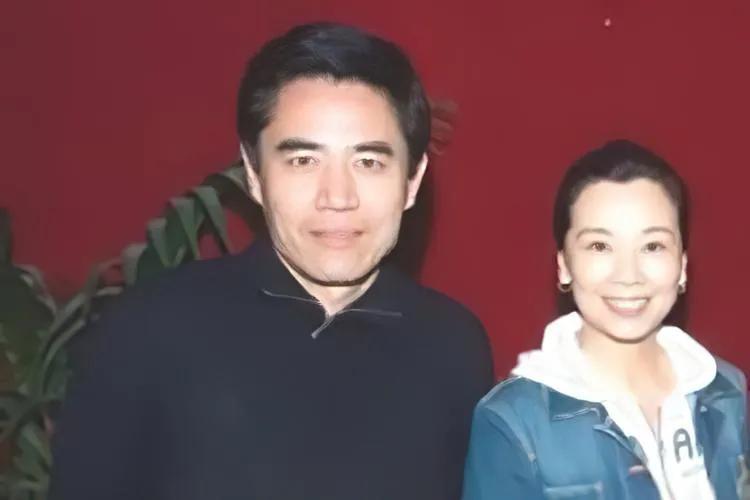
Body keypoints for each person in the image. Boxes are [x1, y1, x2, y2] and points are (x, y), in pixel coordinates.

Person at [49, 22, 493, 500]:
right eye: (303, 160)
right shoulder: (148, 330)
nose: (337, 197)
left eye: (368, 162)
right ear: (254, 174)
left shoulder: (453, 345)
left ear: (412, 180)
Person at [462, 140, 747, 499]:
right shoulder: (514, 422)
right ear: (564, 265)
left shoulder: (726, 390)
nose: (628, 275)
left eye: (653, 246)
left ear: (683, 265)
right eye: (600, 246)